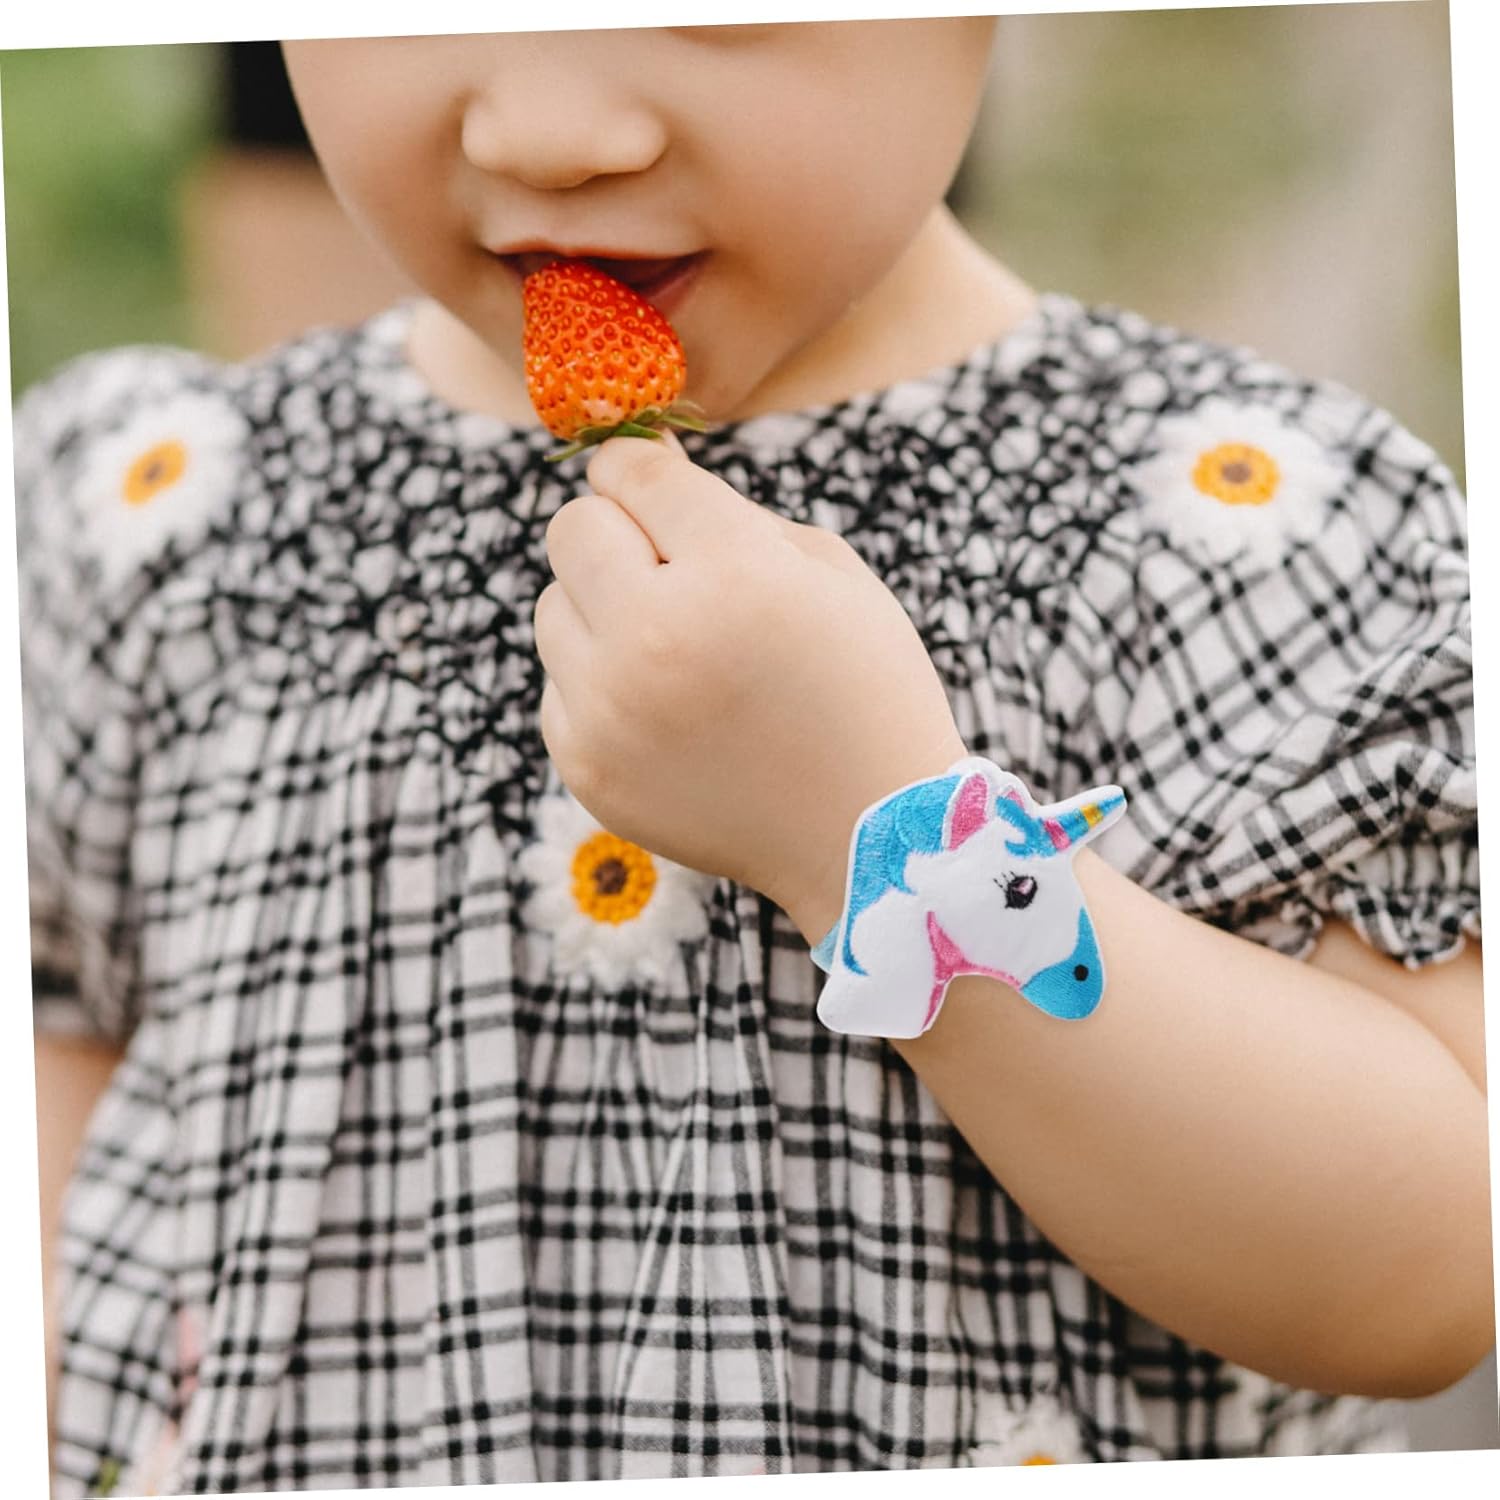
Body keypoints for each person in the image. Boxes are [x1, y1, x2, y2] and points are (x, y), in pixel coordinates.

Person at [17, 20, 1490, 1496]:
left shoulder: (1240, 525)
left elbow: (1431, 1268)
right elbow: (65, 1025)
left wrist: (867, 820)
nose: (545, 132)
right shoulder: (153, 515)